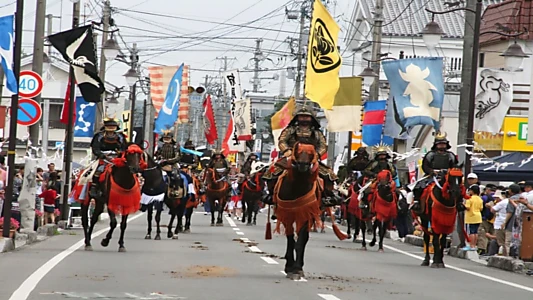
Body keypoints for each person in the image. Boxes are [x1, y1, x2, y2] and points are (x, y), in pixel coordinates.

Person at [262, 106, 340, 205]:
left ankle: (328, 196)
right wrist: (287, 151)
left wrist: (317, 154)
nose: (304, 119)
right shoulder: (290, 130)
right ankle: (271, 195)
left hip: (311, 158)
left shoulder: (316, 133)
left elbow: (323, 145)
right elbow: (282, 140)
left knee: (329, 174)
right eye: (302, 116)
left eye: (306, 117)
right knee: (271, 172)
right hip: (292, 156)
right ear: (297, 118)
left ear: (311, 118)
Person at [411, 132, 458, 212]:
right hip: (432, 176)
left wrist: (449, 172)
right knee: (419, 186)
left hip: (447, 176)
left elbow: (454, 166)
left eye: (443, 144)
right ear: (436, 145)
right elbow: (425, 166)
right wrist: (431, 171)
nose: (442, 145)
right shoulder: (430, 155)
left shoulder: (451, 155)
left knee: (457, 188)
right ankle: (417, 203)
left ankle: (459, 203)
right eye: (440, 144)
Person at [89, 117, 128, 199]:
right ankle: (94, 187)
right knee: (98, 170)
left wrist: (120, 153)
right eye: (109, 126)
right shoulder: (99, 136)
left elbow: (124, 147)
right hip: (103, 157)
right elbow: (95, 148)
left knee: (127, 169)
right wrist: (101, 155)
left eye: (113, 126)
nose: (111, 127)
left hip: (117, 157)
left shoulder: (120, 136)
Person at [464, 184, 483, 251]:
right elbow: (481, 208)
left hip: (471, 217)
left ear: (472, 191)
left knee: (471, 232)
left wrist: (463, 205)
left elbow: (468, 207)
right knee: (475, 232)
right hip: (478, 216)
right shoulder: (480, 199)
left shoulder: (469, 198)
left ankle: (470, 245)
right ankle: (474, 245)